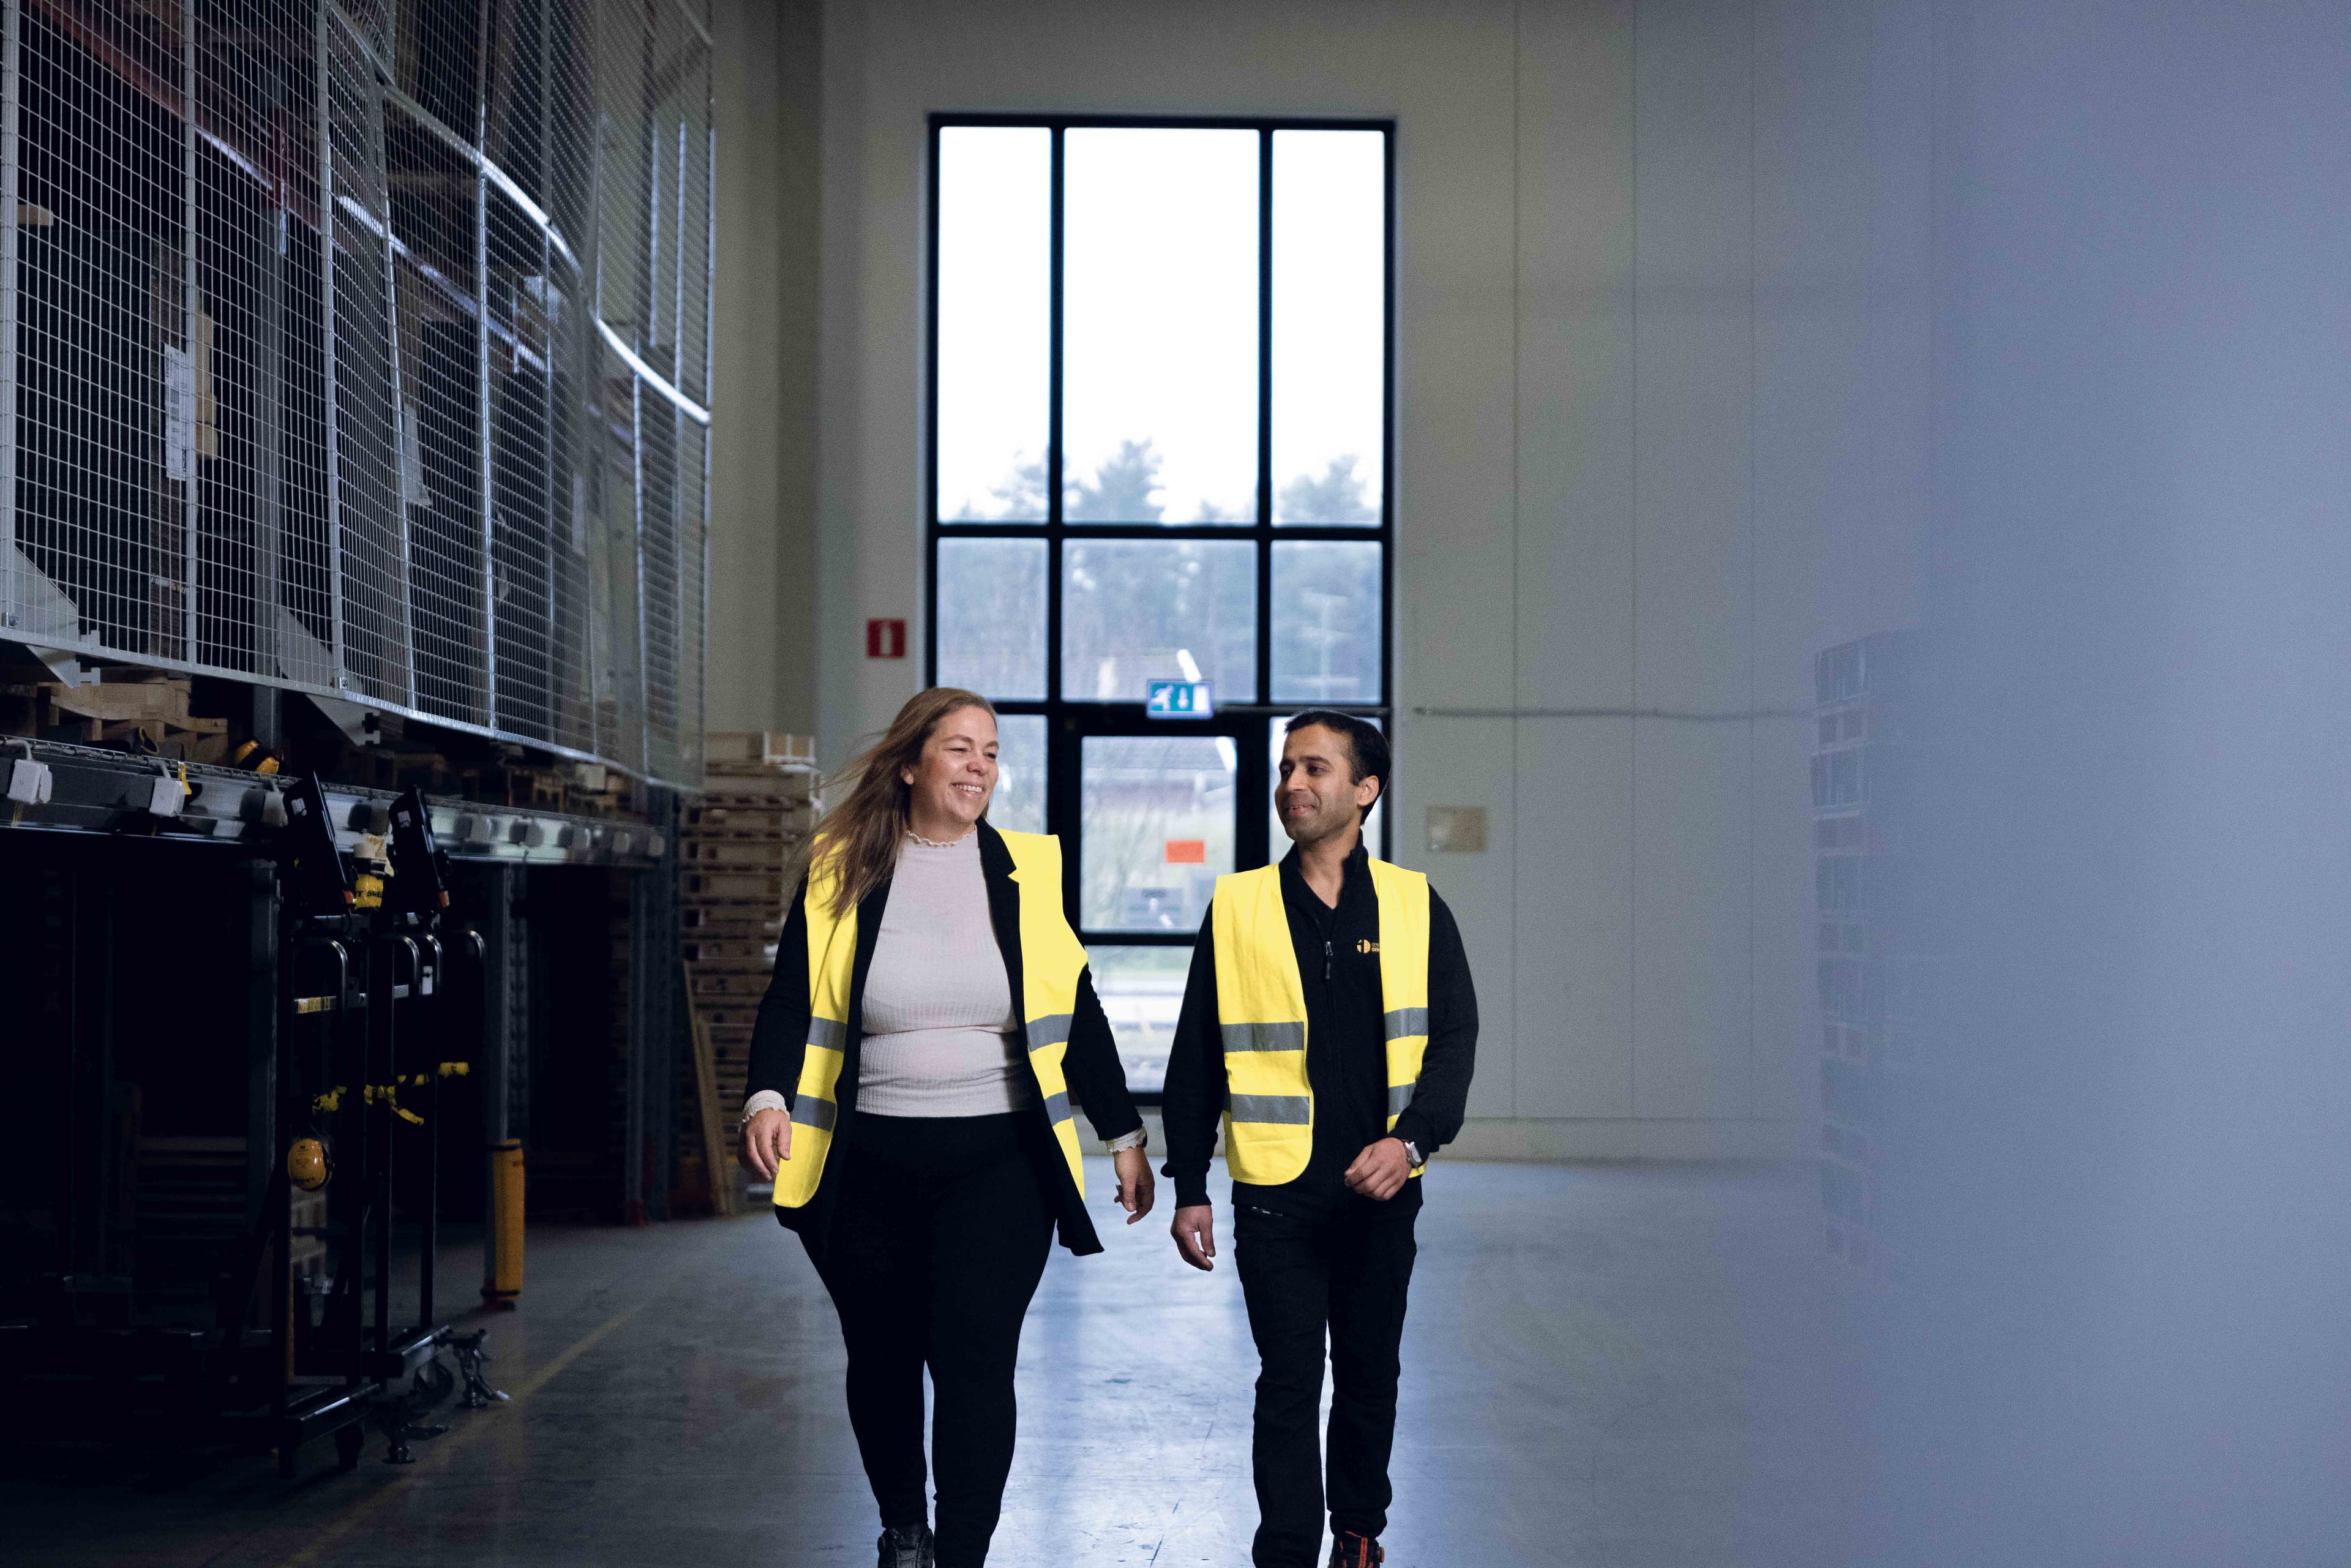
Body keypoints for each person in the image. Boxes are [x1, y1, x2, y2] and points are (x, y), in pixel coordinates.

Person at [740, 688, 1155, 1568]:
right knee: (884, 1354)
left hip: (999, 1162)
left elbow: (1073, 1007)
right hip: (866, 1162)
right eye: (960, 748)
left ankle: (963, 1551)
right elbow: (792, 996)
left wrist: (1123, 1135)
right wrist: (766, 1095)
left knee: (973, 1357)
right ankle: (904, 1529)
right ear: (910, 764)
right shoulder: (841, 865)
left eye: (992, 752)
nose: (979, 767)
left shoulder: (1024, 868)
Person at [1162, 711, 1478, 1568]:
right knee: (1290, 1382)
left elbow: (1454, 1038)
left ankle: (1359, 1533)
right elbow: (1197, 1054)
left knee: (1370, 1374)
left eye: (1316, 768)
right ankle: (1288, 1551)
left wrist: (1411, 1142)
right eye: (1286, 768)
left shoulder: (1414, 905)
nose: (1293, 784)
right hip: (1277, 1193)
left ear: (1365, 789)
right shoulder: (1239, 906)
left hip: (1381, 1189)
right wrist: (1187, 1179)